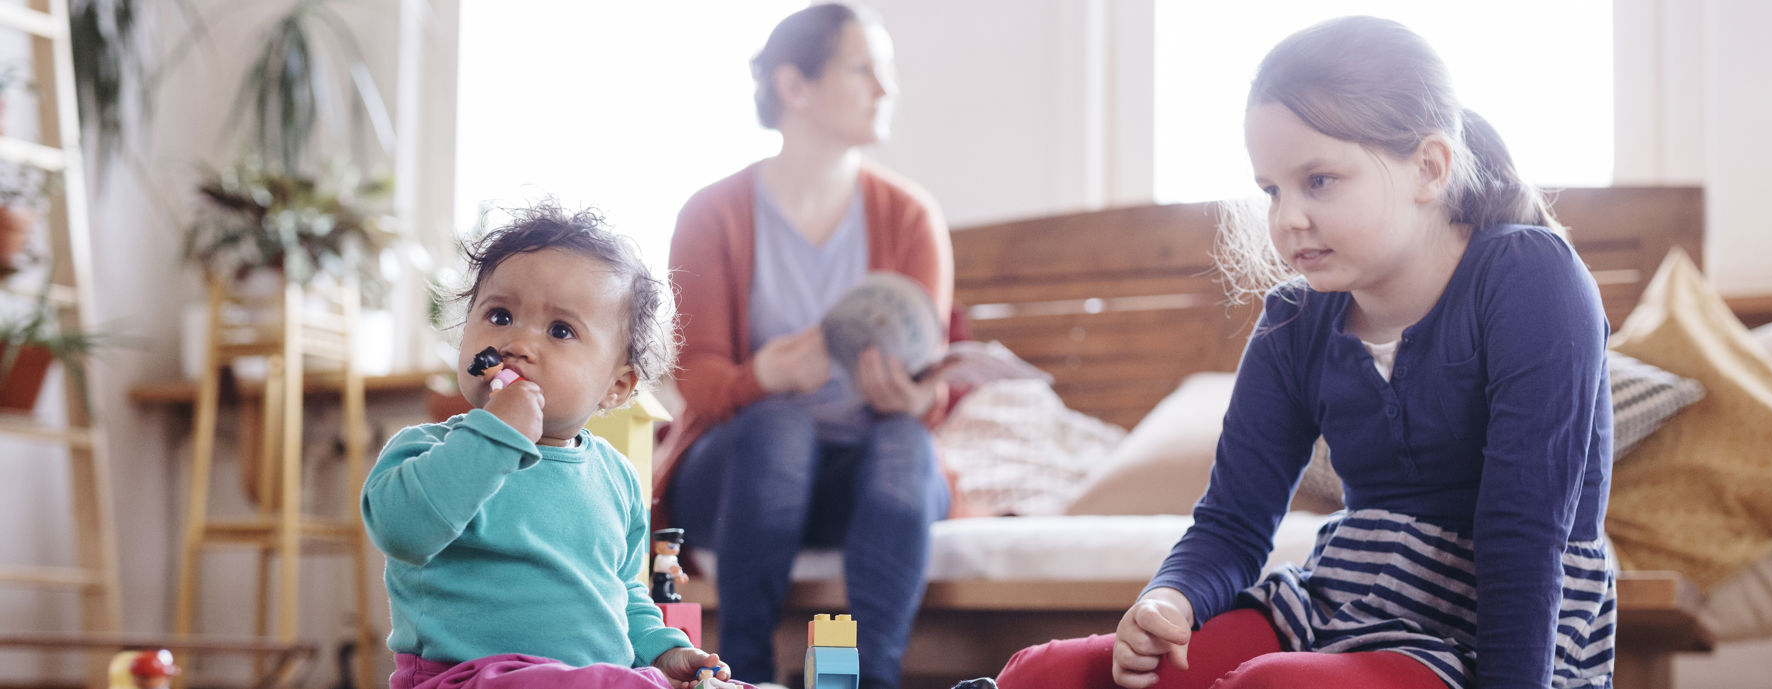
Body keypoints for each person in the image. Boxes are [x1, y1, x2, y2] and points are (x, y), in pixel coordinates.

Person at [994, 16, 1615, 689]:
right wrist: (1169, 597)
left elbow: (1524, 532)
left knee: (1274, 684)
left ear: (1429, 169)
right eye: (1271, 189)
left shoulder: (1530, 276)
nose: (1287, 217)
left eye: (1319, 180)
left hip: (1488, 637)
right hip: (1337, 601)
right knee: (1049, 673)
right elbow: (1232, 522)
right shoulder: (1293, 318)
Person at [658, 4, 956, 688]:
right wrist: (762, 374)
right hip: (743, 477)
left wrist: (916, 397)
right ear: (794, 86)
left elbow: (929, 379)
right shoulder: (711, 213)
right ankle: (744, 670)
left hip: (867, 481)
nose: (887, 90)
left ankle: (872, 678)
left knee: (905, 442)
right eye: (864, 70)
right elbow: (694, 378)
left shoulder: (910, 217)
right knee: (782, 422)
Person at [362, 203, 744, 688]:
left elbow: (624, 592)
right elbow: (403, 532)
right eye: (499, 316)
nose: (517, 343)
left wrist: (665, 651)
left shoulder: (617, 477)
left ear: (618, 387)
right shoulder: (427, 450)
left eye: (560, 330)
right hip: (465, 676)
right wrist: (497, 437)